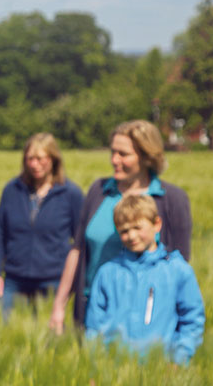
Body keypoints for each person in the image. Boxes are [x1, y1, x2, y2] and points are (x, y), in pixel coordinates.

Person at [50, 120, 192, 334]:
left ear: (146, 156)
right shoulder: (99, 191)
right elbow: (78, 249)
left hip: (146, 319)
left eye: (123, 154)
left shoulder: (172, 200)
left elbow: (180, 265)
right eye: (113, 152)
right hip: (91, 310)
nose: (114, 160)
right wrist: (59, 305)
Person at [84, 194, 205, 365]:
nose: (132, 236)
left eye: (137, 227)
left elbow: (192, 320)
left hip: (161, 369)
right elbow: (94, 326)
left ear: (157, 224)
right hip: (114, 368)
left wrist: (179, 360)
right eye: (124, 231)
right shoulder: (107, 273)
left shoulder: (178, 271)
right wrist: (95, 364)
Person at [0, 133, 83, 321]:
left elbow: (80, 240)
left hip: (53, 279)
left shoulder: (70, 193)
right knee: (8, 335)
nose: (34, 164)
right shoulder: (12, 190)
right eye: (30, 159)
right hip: (15, 279)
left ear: (53, 160)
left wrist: (73, 282)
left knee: (50, 341)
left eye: (40, 158)